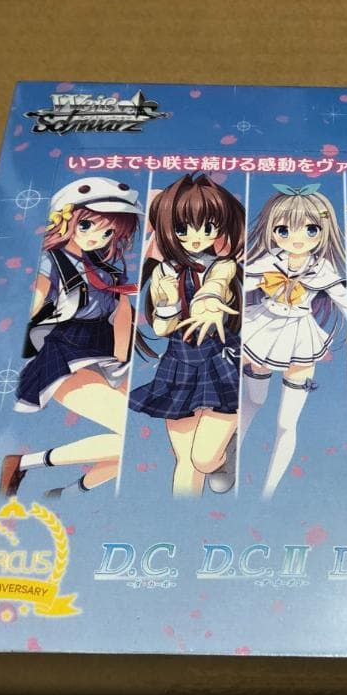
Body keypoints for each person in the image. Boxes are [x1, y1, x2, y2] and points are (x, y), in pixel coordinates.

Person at [0, 176, 142, 499]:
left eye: (108, 232)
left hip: (106, 355)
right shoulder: (51, 262)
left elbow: (122, 314)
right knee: (134, 439)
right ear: (67, 219)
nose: (97, 237)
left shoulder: (107, 270)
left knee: (141, 444)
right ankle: (23, 463)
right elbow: (33, 302)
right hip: (66, 355)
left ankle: (64, 495)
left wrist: (121, 363)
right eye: (87, 225)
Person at [129, 173, 245, 498]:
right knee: (185, 461)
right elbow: (161, 329)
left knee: (203, 459)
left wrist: (208, 302)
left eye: (207, 228)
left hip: (219, 360)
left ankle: (225, 453)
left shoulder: (222, 265)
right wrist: (167, 303)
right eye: (183, 229)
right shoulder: (163, 272)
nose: (196, 238)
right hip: (179, 362)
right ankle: (180, 516)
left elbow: (216, 286)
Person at [240, 184, 347, 499]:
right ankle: (227, 462)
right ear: (272, 230)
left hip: (300, 338)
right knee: (253, 401)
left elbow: (345, 300)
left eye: (311, 229)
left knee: (287, 423)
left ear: (323, 230)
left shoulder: (322, 268)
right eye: (284, 230)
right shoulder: (268, 260)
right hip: (262, 330)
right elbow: (237, 282)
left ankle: (269, 492)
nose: (297, 238)